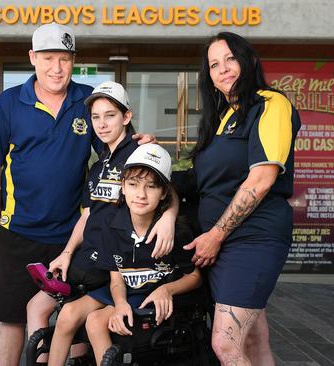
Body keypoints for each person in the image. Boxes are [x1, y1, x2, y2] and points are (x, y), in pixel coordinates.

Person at [0, 24, 157, 366]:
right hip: (16, 234)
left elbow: (112, 145)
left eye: (64, 59)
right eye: (47, 58)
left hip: (70, 238)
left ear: (74, 61)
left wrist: (140, 146)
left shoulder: (85, 101)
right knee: (12, 317)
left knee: (69, 318)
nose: (56, 68)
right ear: (33, 58)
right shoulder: (10, 103)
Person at [38, 83, 178, 366]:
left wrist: (170, 217)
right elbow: (88, 214)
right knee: (55, 311)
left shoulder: (140, 151)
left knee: (72, 316)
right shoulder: (99, 162)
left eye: (110, 115)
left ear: (126, 117)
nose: (101, 124)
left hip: (121, 264)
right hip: (96, 257)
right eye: (96, 117)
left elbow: (167, 190)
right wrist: (66, 253)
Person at [183, 32, 301, 366]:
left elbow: (262, 179)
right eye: (214, 64)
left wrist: (216, 236)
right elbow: (201, 181)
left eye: (230, 59)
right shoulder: (223, 118)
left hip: (251, 239)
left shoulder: (270, 104)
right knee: (253, 338)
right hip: (220, 245)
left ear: (248, 60)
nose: (223, 69)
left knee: (224, 341)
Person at [83, 144, 202, 365]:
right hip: (128, 293)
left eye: (151, 187)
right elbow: (116, 278)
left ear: (164, 192)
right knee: (91, 319)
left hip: (157, 301)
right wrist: (119, 304)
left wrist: (167, 289)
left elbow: (195, 277)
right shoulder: (113, 225)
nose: (141, 194)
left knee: (97, 320)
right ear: (123, 187)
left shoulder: (174, 232)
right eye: (133, 184)